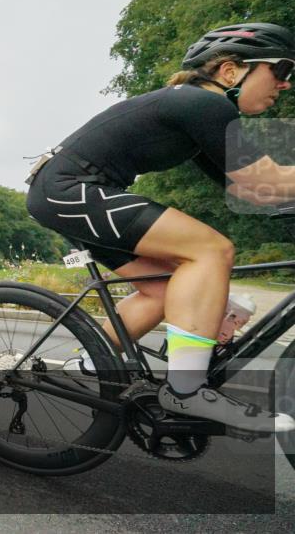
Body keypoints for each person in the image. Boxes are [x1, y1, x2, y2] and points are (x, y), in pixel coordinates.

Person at [26, 22, 295, 433]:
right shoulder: (203, 104)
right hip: (72, 189)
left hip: (64, 193)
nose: (285, 84)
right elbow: (272, 180)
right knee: (210, 249)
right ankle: (187, 390)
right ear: (230, 71)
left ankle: (86, 362)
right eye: (280, 70)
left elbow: (256, 189)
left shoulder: (199, 114)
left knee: (164, 290)